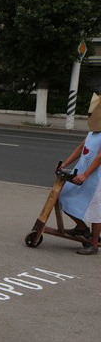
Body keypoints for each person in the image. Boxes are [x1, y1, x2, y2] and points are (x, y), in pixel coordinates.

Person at [58, 93, 101, 255]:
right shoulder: (92, 132)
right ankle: (82, 228)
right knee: (63, 196)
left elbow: (100, 157)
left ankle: (94, 245)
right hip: (81, 174)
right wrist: (65, 164)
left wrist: (85, 175)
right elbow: (80, 148)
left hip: (96, 179)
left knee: (95, 211)